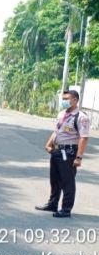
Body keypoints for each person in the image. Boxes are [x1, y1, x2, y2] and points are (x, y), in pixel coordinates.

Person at [35, 90, 90, 218]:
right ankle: (52, 204)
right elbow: (57, 131)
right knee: (54, 180)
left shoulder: (81, 117)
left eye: (67, 99)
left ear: (75, 100)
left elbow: (84, 138)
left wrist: (78, 157)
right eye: (63, 98)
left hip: (69, 152)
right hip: (57, 151)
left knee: (67, 182)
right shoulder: (62, 114)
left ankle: (66, 209)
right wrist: (49, 144)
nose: (64, 101)